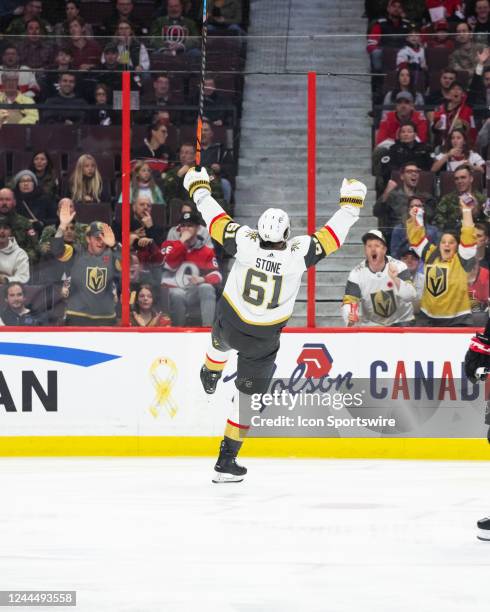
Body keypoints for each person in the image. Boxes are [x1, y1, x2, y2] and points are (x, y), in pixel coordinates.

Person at [182, 167, 367, 482]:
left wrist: (198, 187)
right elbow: (332, 237)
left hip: (229, 322)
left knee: (220, 340)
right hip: (263, 339)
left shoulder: (245, 241)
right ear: (286, 235)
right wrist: (350, 205)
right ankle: (226, 461)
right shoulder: (298, 254)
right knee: (245, 399)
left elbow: (214, 218)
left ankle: (211, 371)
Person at [407, 199, 477, 326]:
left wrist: (466, 211)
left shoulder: (461, 259)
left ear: (457, 246)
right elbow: (416, 237)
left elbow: (468, 236)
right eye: (443, 241)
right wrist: (415, 217)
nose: (446, 244)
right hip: (428, 317)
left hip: (458, 318)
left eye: (451, 242)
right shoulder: (430, 254)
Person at [50, 202, 121, 326]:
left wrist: (114, 245)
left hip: (106, 317)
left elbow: (126, 268)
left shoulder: (112, 254)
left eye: (104, 238)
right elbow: (56, 250)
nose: (101, 242)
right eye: (97, 238)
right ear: (88, 239)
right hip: (78, 316)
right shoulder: (76, 251)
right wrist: (62, 226)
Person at [342, 229, 416, 327]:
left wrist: (395, 279)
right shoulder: (356, 274)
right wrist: (349, 317)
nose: (373, 249)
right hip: (372, 325)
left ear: (384, 250)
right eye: (369, 246)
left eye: (377, 246)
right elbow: (349, 303)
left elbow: (410, 296)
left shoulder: (399, 266)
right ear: (365, 250)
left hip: (402, 322)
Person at [160, 210, 221, 326]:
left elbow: (217, 276)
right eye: (183, 226)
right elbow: (170, 264)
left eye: (190, 226)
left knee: (206, 287)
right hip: (172, 291)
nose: (186, 229)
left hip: (194, 292)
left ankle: (207, 329)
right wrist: (181, 242)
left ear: (197, 228)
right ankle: (178, 331)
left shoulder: (206, 250)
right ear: (179, 228)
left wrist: (203, 279)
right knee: (177, 293)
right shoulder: (168, 245)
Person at [373, 162, 435, 247]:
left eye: (416, 172)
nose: (414, 174)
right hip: (397, 237)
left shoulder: (426, 197)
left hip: (420, 235)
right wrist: (387, 191)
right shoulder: (393, 195)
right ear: (402, 176)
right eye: (409, 171)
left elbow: (431, 217)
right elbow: (377, 212)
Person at [433, 164, 486, 230]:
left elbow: (487, 222)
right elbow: (437, 221)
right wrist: (459, 215)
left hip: (476, 235)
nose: (460, 181)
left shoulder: (482, 199)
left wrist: (476, 212)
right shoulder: (447, 199)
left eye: (463, 177)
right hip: (453, 234)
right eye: (456, 179)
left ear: (471, 179)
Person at [379, 122, 433, 186]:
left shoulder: (424, 148)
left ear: (415, 135)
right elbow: (389, 168)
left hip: (421, 181)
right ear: (399, 135)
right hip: (400, 181)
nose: (406, 134)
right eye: (403, 132)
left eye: (409, 132)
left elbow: (430, 167)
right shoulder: (394, 149)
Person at [366, 0, 410, 73]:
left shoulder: (407, 25)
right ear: (388, 9)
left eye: (399, 7)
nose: (396, 9)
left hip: (403, 58)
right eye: (394, 6)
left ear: (402, 10)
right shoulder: (380, 24)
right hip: (385, 57)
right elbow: (371, 45)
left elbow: (413, 40)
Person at [432, 81, 477, 147]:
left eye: (459, 89)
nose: (456, 91)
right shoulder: (441, 108)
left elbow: (473, 128)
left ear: (463, 94)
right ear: (449, 93)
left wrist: (465, 125)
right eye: (453, 89)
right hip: (443, 143)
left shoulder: (468, 110)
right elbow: (434, 129)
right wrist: (436, 127)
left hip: (461, 144)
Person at [0, 188, 40, 262]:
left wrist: (19, 258)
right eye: (1, 199)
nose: (4, 203)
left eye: (7, 199)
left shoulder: (25, 223)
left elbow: (35, 249)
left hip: (19, 263)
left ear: (14, 202)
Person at [0, 216, 30, 285]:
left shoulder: (20, 254)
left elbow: (23, 278)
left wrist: (6, 279)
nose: (2, 231)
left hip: (9, 292)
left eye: (5, 228)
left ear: (11, 232)